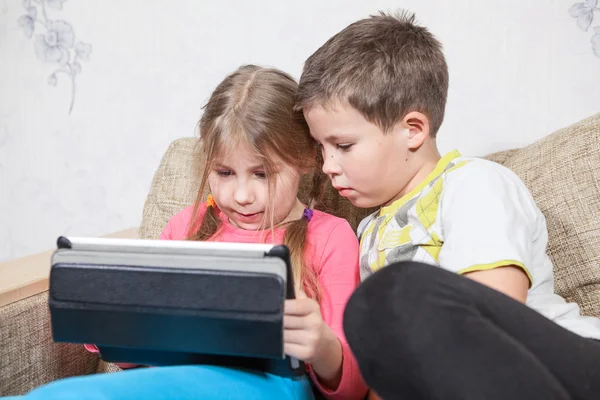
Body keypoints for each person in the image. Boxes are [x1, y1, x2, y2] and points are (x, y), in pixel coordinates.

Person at [11, 65, 367, 400]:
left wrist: (321, 344)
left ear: (305, 159)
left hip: (274, 385)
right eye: (224, 173)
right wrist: (113, 330)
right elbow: (139, 363)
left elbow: (352, 388)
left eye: (263, 174)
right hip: (173, 380)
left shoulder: (330, 236)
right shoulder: (186, 226)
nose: (241, 196)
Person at [295, 11, 600, 400]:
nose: (327, 166)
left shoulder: (473, 183)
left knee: (389, 295)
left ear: (413, 130)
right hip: (462, 381)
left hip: (568, 368)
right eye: (321, 148)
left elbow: (494, 312)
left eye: (343, 146)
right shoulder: (368, 229)